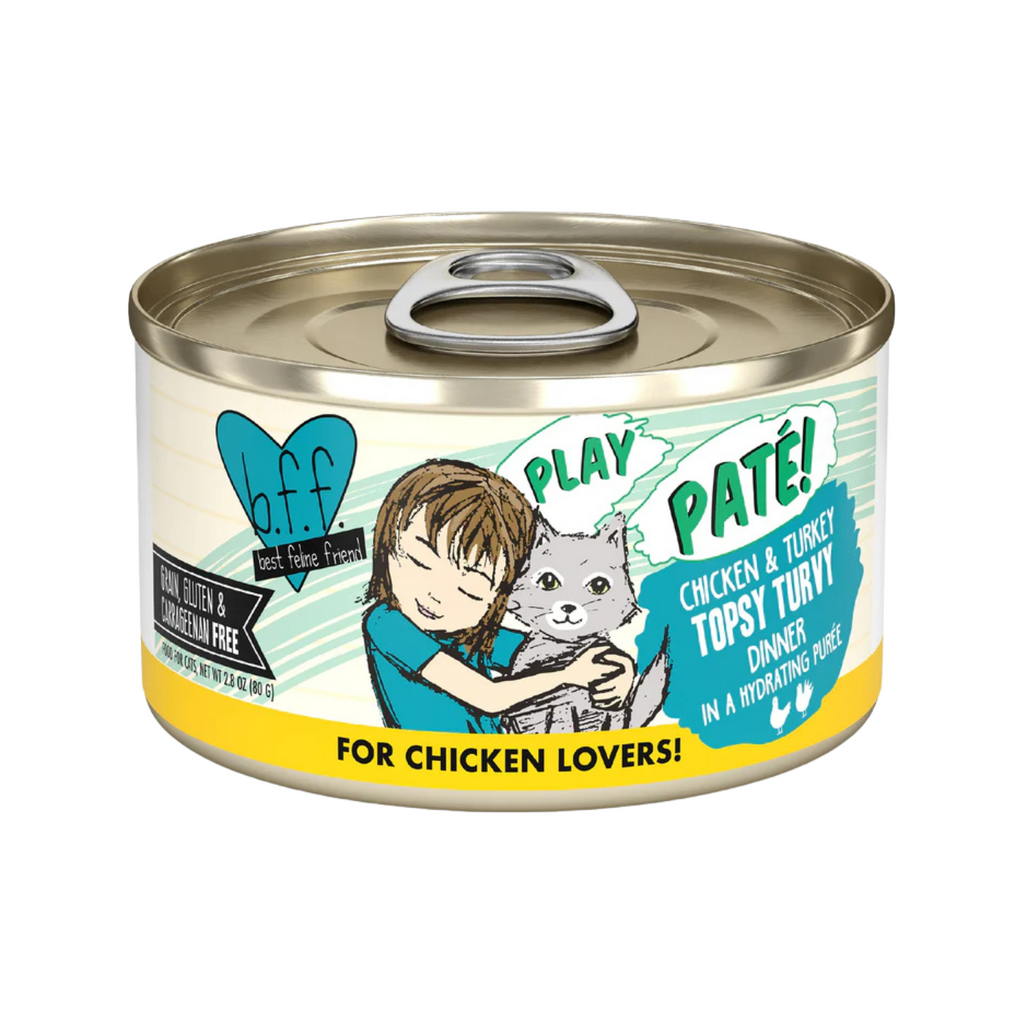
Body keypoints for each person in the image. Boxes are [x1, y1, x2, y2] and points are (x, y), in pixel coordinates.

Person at [362, 460, 633, 732]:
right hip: (428, 755)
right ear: (388, 545)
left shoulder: (471, 632)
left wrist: (618, 667)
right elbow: (487, 696)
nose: (435, 596)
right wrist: (569, 675)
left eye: (468, 591)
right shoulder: (387, 623)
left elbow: (551, 651)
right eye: (419, 562)